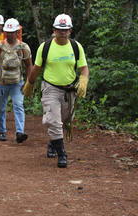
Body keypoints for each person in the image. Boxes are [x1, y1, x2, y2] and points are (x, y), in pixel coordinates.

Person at [22, 14, 89, 168]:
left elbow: (84, 68)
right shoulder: (45, 47)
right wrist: (29, 84)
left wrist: (83, 80)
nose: (62, 32)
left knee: (66, 121)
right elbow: (36, 68)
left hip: (69, 90)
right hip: (50, 88)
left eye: (65, 30)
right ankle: (62, 154)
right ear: (54, 30)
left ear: (70, 31)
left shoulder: (76, 47)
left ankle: (53, 142)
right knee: (53, 120)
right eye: (59, 29)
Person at [0, 18, 31, 143]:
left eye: (12, 32)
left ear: (17, 32)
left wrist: (28, 83)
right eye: (8, 32)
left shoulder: (23, 47)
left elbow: (29, 65)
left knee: (18, 106)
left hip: (17, 83)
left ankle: (20, 132)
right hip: (1, 82)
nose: (10, 34)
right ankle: (2, 131)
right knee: (0, 108)